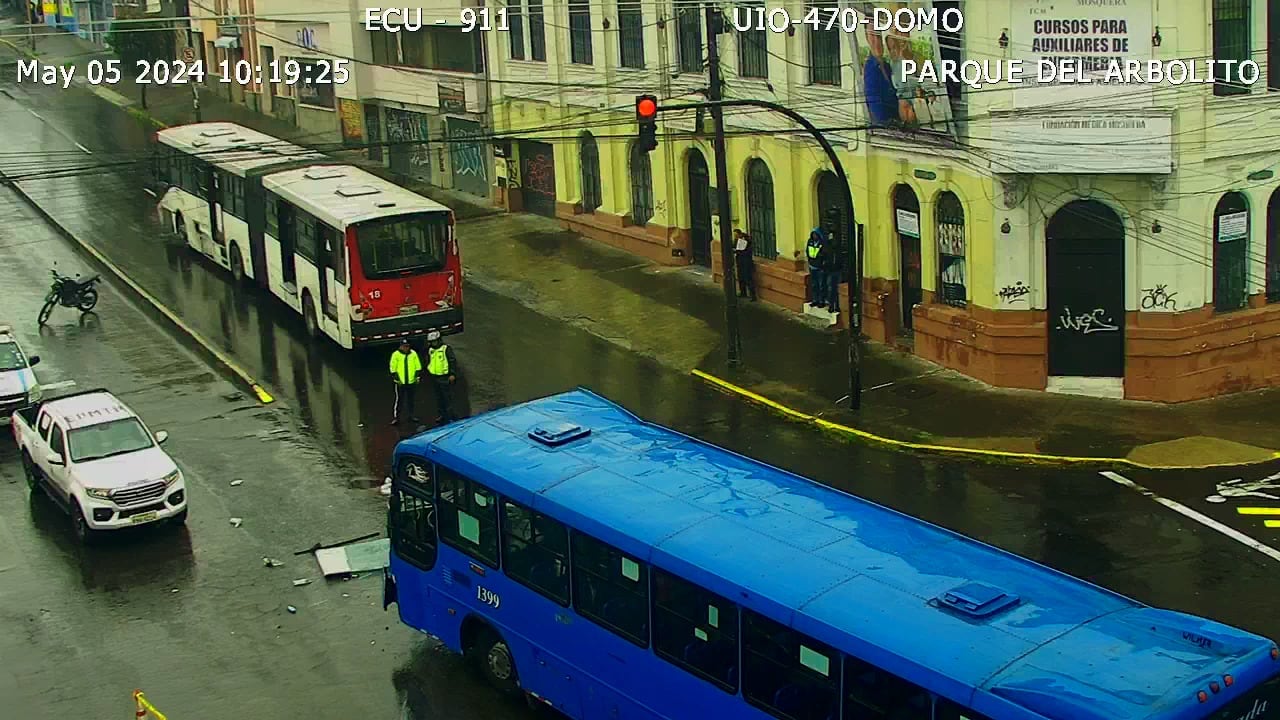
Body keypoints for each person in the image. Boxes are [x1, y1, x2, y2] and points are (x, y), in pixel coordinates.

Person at [425, 330, 458, 423]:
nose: (433, 344)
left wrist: (452, 373)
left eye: (435, 341)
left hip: (445, 377)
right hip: (435, 377)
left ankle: (451, 415)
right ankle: (441, 415)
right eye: (432, 342)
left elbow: (452, 361)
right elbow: (428, 361)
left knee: (447, 398)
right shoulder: (430, 350)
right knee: (439, 398)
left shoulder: (446, 349)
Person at [389, 340, 422, 425]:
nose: (406, 348)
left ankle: (411, 415)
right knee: (399, 400)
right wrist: (397, 379)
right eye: (404, 346)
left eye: (407, 346)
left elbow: (418, 366)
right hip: (401, 383)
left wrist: (417, 377)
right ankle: (397, 417)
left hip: (411, 382)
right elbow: (393, 368)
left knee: (411, 400)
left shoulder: (413, 354)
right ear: (400, 346)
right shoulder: (396, 355)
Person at [806, 224, 831, 309]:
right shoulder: (810, 242)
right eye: (813, 234)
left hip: (820, 268)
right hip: (812, 266)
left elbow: (825, 254)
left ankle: (821, 301)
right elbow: (808, 252)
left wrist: (823, 263)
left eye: (815, 234)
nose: (814, 236)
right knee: (814, 285)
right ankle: (815, 300)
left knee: (821, 285)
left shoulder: (822, 243)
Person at [733, 229, 757, 301]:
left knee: (748, 279)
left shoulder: (745, 241)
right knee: (741, 278)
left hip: (746, 262)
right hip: (740, 262)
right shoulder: (737, 241)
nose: (735, 237)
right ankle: (743, 292)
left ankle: (753, 295)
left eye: (736, 235)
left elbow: (742, 250)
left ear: (740, 234)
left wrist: (736, 251)